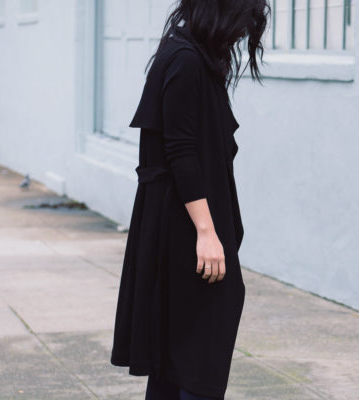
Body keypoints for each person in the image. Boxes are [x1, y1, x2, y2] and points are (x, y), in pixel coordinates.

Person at [111, 1, 270, 399]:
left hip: (180, 223)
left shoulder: (189, 55)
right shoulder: (185, 61)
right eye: (240, 22)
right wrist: (206, 232)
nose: (241, 33)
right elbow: (180, 151)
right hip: (184, 228)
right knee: (201, 353)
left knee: (176, 356)